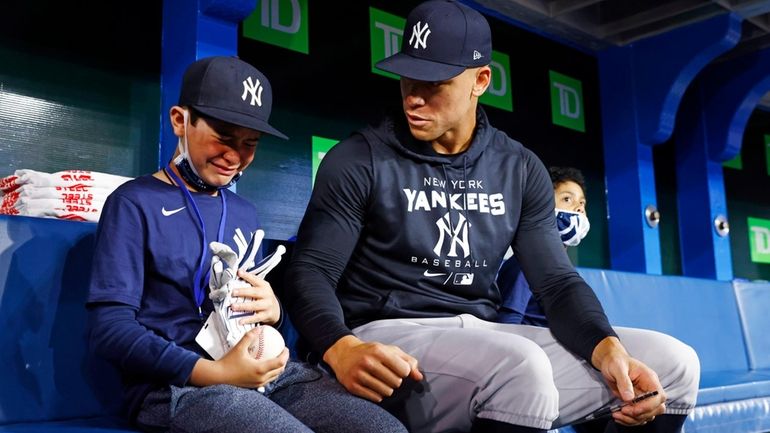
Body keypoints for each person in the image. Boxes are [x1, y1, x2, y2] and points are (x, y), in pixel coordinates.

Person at [284, 1, 700, 433]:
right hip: (388, 339)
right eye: (409, 76)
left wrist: (605, 344)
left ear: (480, 80)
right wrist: (339, 346)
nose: (414, 96)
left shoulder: (518, 167)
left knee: (671, 363)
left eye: (435, 82)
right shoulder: (358, 159)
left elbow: (556, 283)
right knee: (522, 368)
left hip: (483, 336)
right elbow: (311, 271)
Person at [86, 56, 407, 433]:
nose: (235, 157)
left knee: (385, 430)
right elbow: (109, 330)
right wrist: (214, 372)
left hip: (264, 373)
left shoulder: (243, 211)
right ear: (179, 121)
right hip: (178, 385)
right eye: (223, 137)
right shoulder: (133, 202)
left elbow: (248, 320)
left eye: (249, 143)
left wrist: (275, 314)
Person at [497, 166, 590, 326]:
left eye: (582, 202)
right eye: (567, 199)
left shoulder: (563, 266)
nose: (579, 208)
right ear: (543, 204)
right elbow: (507, 324)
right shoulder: (529, 262)